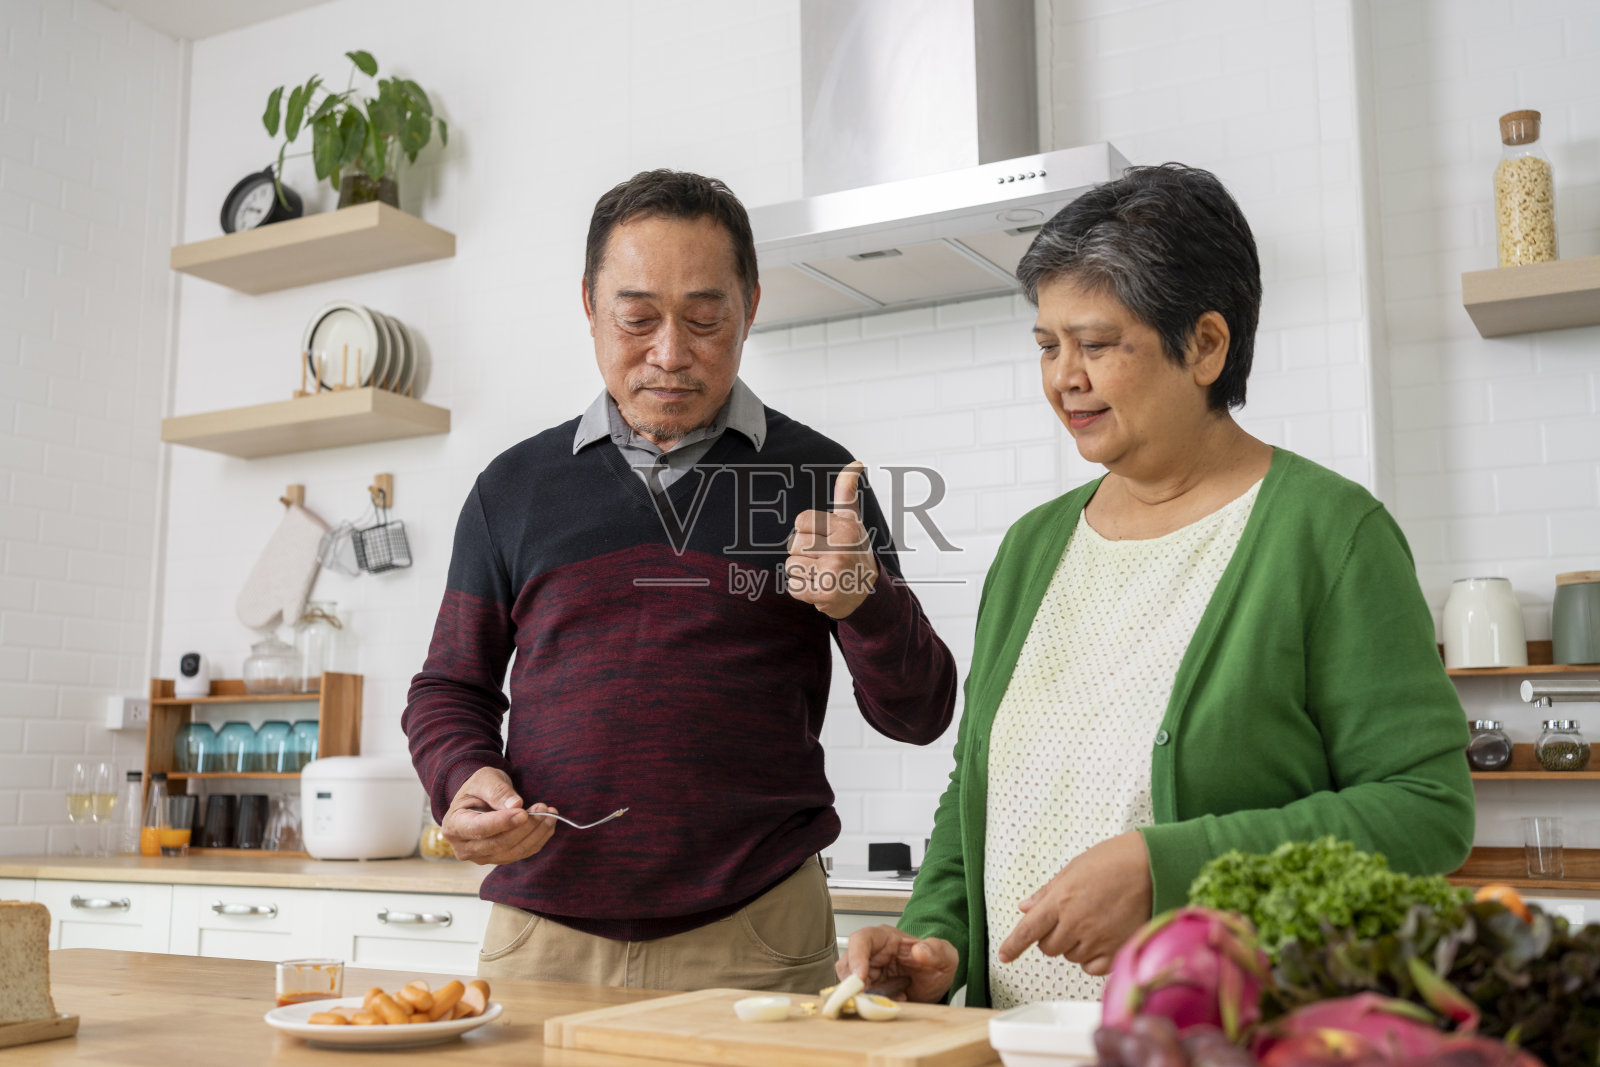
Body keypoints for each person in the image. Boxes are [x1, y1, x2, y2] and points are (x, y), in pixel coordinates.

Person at [838, 164, 1474, 1009]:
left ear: (1205, 345)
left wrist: (1168, 870)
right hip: (1020, 1049)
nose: (1064, 377)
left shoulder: (1328, 534)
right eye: (1048, 345)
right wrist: (937, 937)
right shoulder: (1032, 548)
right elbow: (978, 794)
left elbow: (1427, 812)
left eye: (1097, 344)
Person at [402, 169, 957, 994]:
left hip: (757, 935)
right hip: (543, 935)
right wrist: (464, 775)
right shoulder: (511, 488)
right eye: (637, 319)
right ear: (589, 306)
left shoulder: (821, 479)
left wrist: (865, 600)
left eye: (704, 319)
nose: (669, 354)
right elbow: (449, 687)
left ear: (750, 307)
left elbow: (921, 712)